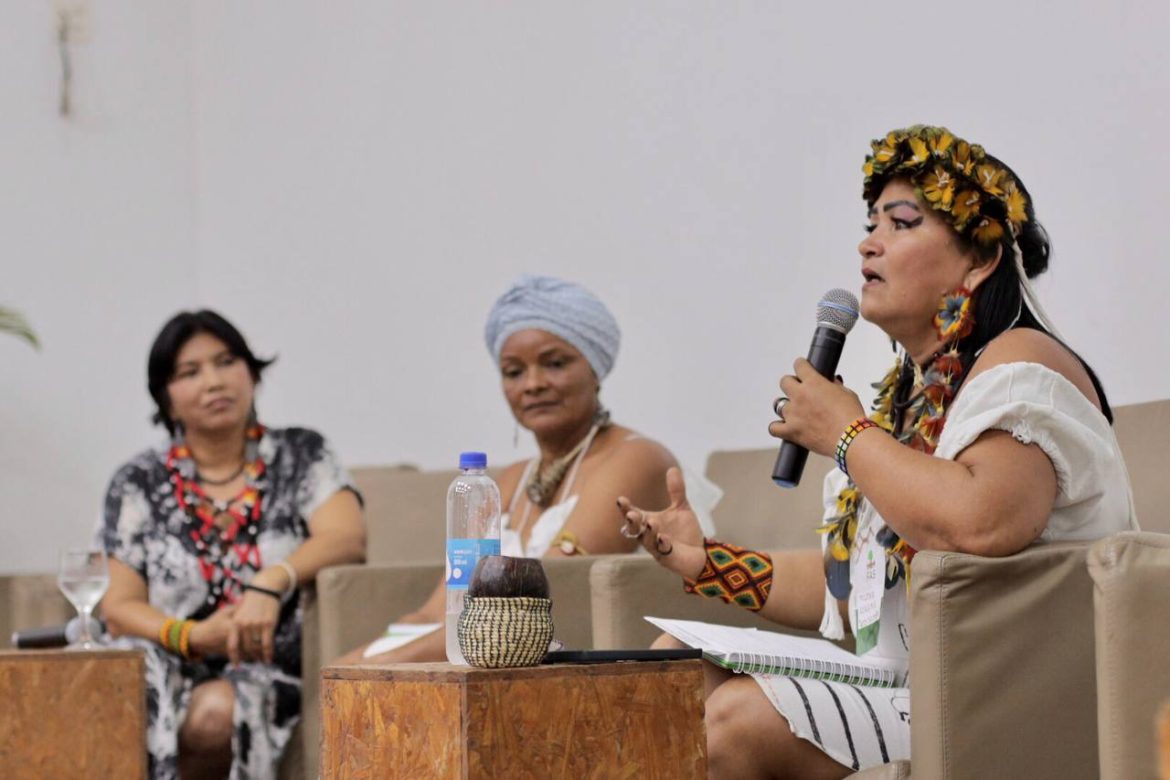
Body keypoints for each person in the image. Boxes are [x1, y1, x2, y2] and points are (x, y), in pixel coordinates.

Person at [618, 125, 1137, 779]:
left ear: (979, 259)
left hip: (1004, 695)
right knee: (672, 670)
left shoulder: (1023, 364)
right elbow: (851, 591)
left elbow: (983, 520)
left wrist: (846, 434)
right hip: (904, 681)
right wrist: (708, 563)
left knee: (737, 720)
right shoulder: (908, 398)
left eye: (902, 222)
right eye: (871, 223)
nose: (869, 242)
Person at [344, 274, 719, 664]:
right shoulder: (506, 480)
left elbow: (542, 596)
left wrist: (374, 668)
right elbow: (438, 608)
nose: (533, 384)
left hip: (580, 667)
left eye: (554, 364)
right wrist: (364, 658)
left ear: (595, 368)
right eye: (513, 371)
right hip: (490, 657)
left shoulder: (637, 458)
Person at [97, 310, 366, 780]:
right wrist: (189, 635)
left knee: (214, 715)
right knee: (96, 698)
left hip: (270, 663)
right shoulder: (138, 481)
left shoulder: (301, 454)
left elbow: (346, 538)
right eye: (190, 372)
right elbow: (118, 605)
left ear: (252, 374)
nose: (214, 381)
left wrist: (270, 582)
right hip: (167, 659)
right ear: (167, 398)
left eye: (226, 362)